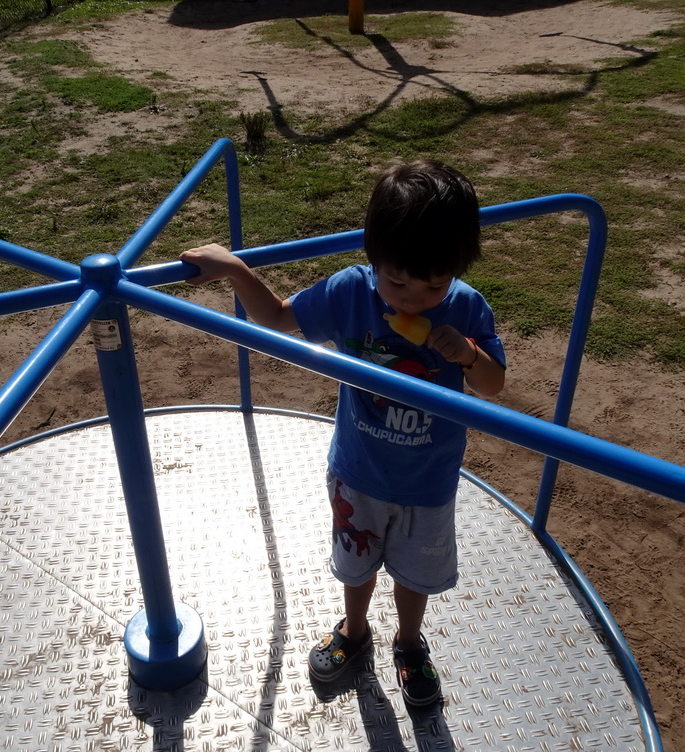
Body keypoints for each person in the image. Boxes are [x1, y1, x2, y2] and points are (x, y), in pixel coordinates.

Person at [180, 159, 506, 706]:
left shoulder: (467, 308)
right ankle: (355, 633)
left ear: (455, 270)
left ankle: (408, 644)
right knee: (356, 566)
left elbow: (495, 386)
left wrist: (468, 355)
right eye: (397, 280)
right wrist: (235, 269)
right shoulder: (354, 292)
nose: (411, 299)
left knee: (414, 576)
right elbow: (279, 319)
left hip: (428, 480)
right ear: (372, 258)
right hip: (358, 470)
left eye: (433, 284)